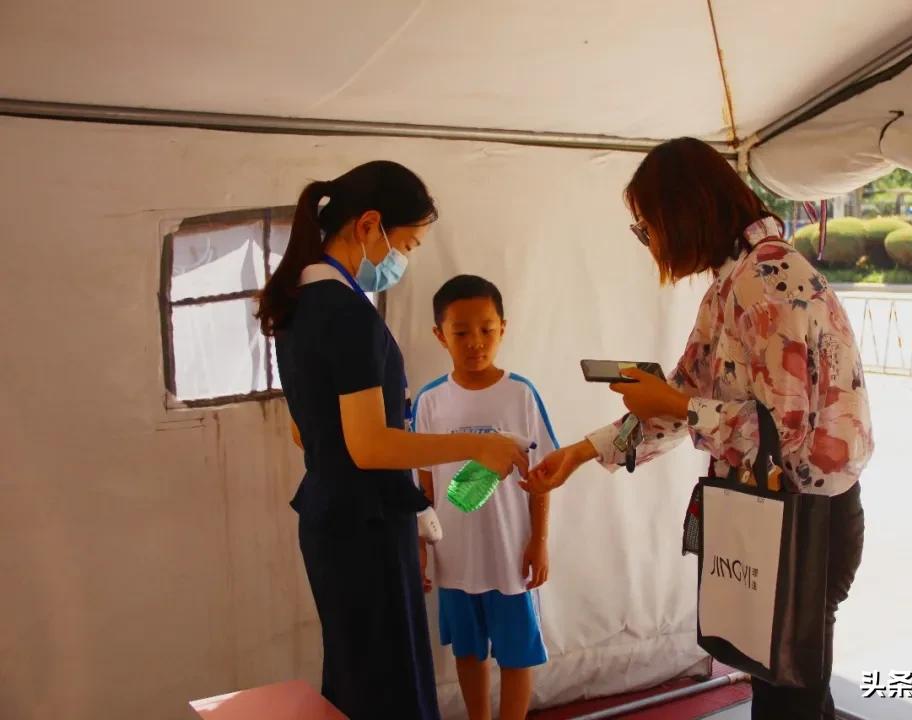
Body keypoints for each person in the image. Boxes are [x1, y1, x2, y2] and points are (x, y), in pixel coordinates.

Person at [521, 138, 873, 720]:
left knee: (790, 696)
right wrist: (583, 452)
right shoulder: (734, 282)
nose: (649, 243)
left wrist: (676, 405)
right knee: (782, 684)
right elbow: (685, 392)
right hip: (778, 514)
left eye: (647, 227)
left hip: (807, 518)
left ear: (685, 212)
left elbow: (783, 440)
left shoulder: (768, 278)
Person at [256, 161, 529, 720]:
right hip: (366, 526)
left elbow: (305, 429)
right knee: (390, 688)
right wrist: (473, 447)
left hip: (332, 517)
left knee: (356, 680)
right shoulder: (348, 313)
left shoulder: (296, 306)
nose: (404, 258)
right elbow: (369, 448)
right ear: (370, 225)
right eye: (407, 242)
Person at [413, 275, 556, 720]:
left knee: (516, 653)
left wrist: (539, 540)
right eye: (460, 332)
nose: (475, 342)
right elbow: (425, 487)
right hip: (454, 556)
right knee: (468, 651)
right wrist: (421, 548)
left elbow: (542, 476)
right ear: (440, 335)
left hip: (508, 554)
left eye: (486, 330)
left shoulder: (520, 394)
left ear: (503, 328)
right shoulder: (431, 401)